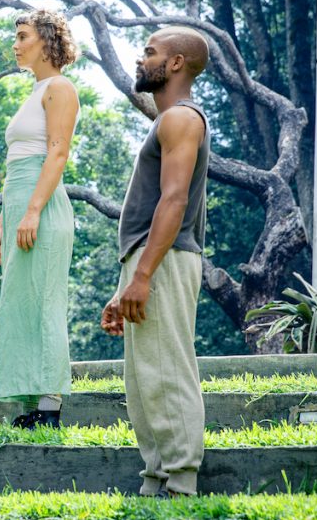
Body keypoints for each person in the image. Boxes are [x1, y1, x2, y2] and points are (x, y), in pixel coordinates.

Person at [100, 26, 211, 497]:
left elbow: (174, 201)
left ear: (176, 63)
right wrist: (126, 282)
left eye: (150, 52)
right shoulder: (165, 121)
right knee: (145, 378)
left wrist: (143, 274)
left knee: (168, 370)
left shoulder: (181, 120)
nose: (141, 59)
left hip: (164, 262)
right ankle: (157, 479)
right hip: (149, 260)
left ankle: (182, 481)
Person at [0, 9, 80, 429]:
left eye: (23, 35)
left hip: (42, 206)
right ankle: (30, 406)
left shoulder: (60, 88)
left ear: (46, 39)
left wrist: (33, 211)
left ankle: (50, 408)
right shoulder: (35, 90)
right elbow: (16, 164)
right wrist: (4, 223)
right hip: (20, 204)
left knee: (43, 304)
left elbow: (57, 154)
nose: (16, 42)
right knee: (20, 308)